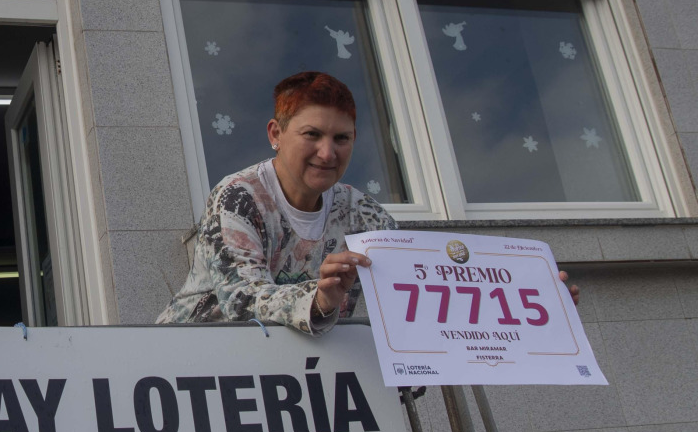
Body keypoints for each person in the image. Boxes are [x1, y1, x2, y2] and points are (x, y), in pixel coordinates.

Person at [158, 71, 576, 333]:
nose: (328, 153)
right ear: (275, 133)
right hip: (195, 375)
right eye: (312, 135)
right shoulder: (239, 197)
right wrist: (320, 300)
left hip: (298, 381)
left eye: (342, 139)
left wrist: (531, 300)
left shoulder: (363, 214)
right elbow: (243, 302)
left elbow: (426, 289)